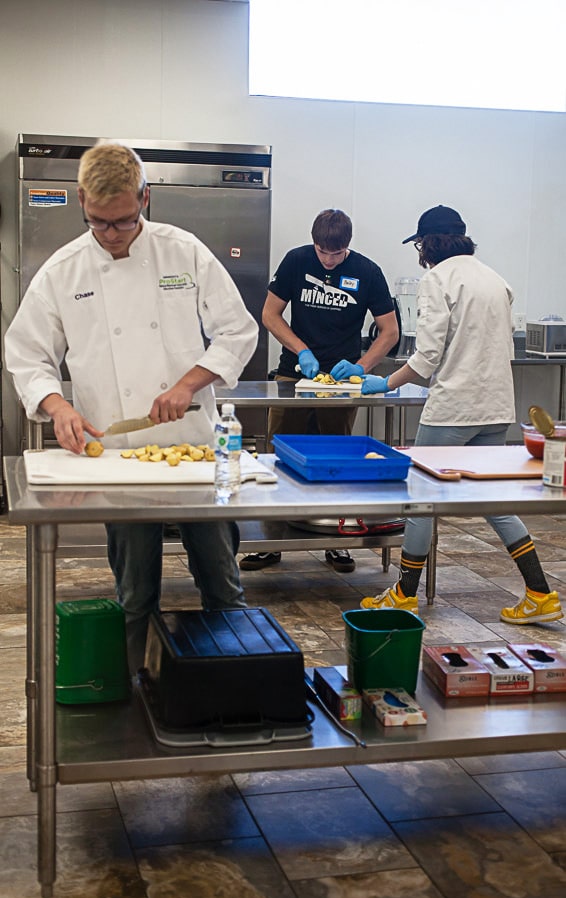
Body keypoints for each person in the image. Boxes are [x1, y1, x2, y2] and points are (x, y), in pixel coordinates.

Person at [5, 141, 259, 668]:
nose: (111, 234)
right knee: (135, 594)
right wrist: (58, 407)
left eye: (122, 221)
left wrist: (189, 383)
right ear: (81, 201)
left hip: (192, 451)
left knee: (222, 583)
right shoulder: (63, 271)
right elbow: (27, 353)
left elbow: (238, 332)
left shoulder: (183, 251)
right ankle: (132, 693)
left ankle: (236, 685)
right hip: (118, 456)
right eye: (99, 222)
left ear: (144, 198)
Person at [360, 204, 563, 625]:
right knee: (492, 499)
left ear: (427, 244)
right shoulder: (495, 278)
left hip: (454, 408)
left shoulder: (437, 279)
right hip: (494, 407)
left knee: (420, 498)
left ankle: (404, 594)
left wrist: (385, 381)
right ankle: (540, 593)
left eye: (418, 245)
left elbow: (428, 356)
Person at [240, 208, 399, 573]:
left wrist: (360, 368)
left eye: (337, 253)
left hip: (341, 383)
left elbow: (388, 332)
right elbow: (270, 315)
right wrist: (302, 350)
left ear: (348, 246)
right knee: (279, 457)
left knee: (337, 458)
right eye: (323, 252)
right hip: (292, 376)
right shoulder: (297, 261)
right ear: (314, 243)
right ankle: (270, 542)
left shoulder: (367, 272)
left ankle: (337, 541)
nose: (329, 260)